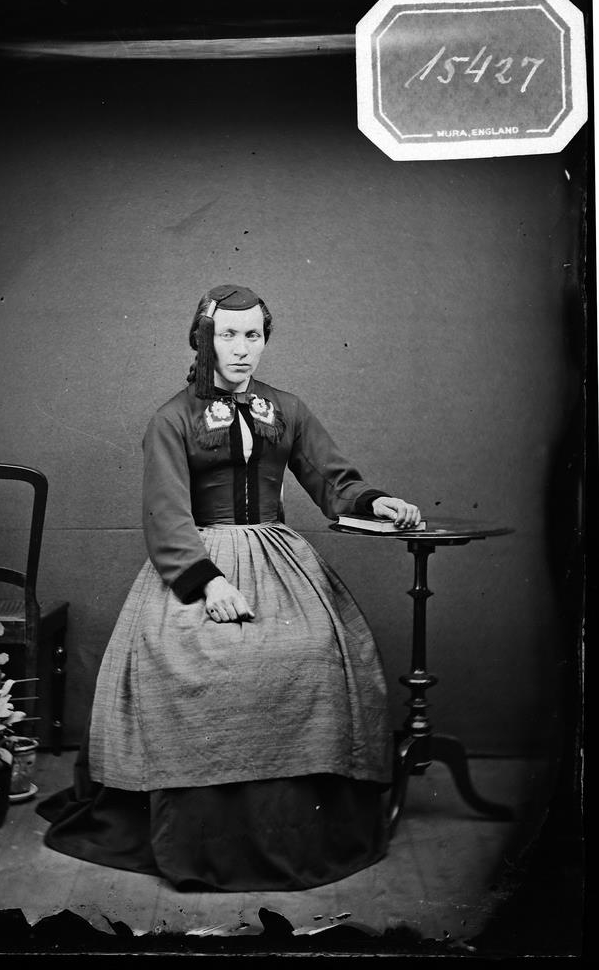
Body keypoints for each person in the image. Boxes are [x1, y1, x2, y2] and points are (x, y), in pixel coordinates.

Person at [37, 284, 421, 891]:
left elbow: (332, 479)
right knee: (207, 661)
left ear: (265, 340)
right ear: (205, 339)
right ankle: (204, 829)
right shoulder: (172, 418)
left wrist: (376, 501)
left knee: (313, 651)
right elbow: (165, 514)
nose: (241, 349)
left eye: (253, 336)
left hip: (279, 558)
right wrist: (208, 584)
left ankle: (298, 822)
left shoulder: (286, 409)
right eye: (228, 335)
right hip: (196, 560)